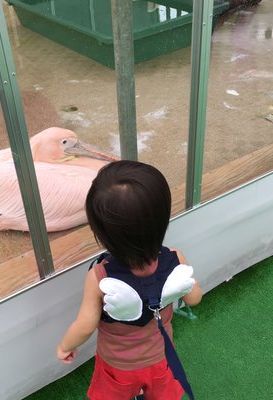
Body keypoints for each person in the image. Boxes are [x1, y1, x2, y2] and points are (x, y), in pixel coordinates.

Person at [56, 160, 202, 400]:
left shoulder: (100, 277)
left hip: (117, 367)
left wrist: (65, 346)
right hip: (161, 359)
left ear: (100, 231)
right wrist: (186, 287)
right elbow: (195, 298)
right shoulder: (175, 259)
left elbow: (84, 326)